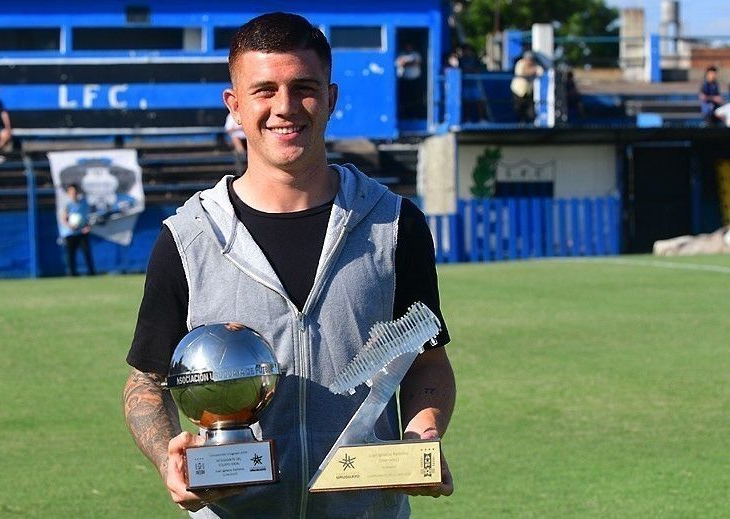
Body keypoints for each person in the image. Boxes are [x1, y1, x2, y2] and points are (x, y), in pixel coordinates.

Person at [123, 12, 455, 518]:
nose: (285, 107)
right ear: (234, 105)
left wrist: (421, 434)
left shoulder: (393, 224)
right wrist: (168, 456)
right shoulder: (187, 238)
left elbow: (427, 361)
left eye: (304, 87)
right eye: (264, 90)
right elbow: (146, 380)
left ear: (331, 98)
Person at [61, 183, 95, 276]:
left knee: (86, 252)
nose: (73, 194)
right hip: (71, 233)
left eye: (75, 192)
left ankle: (91, 272)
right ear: (68, 193)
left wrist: (87, 226)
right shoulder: (68, 205)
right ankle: (72, 273)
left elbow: (88, 217)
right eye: (71, 192)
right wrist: (70, 226)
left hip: (82, 232)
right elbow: (63, 219)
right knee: (71, 254)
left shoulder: (84, 204)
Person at [510, 51, 541, 123]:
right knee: (518, 110)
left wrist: (536, 69)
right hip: (518, 92)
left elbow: (540, 71)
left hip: (528, 92)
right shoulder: (520, 63)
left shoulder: (534, 65)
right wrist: (535, 70)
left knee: (530, 112)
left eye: (531, 59)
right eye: (528, 59)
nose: (529, 61)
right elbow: (524, 72)